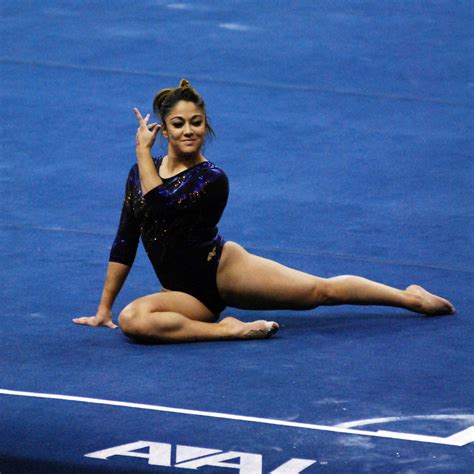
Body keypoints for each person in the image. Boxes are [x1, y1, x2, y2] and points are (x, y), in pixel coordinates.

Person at [73, 79, 455, 343]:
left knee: (320, 291)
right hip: (184, 294)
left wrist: (142, 153)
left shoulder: (212, 178)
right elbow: (127, 237)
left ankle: (409, 297)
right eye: (178, 124)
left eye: (197, 122)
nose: (189, 130)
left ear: (206, 126)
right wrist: (104, 309)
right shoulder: (138, 175)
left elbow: (163, 208)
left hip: (223, 270)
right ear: (165, 130)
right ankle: (228, 330)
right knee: (133, 321)